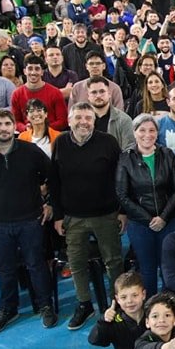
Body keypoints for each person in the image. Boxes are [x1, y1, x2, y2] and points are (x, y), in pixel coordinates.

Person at [0, 108, 55, 332]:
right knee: (6, 269)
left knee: (36, 265)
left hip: (31, 221)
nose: (4, 128)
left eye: (7, 124)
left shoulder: (30, 151)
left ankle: (45, 305)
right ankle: (9, 309)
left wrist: (50, 203)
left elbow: (53, 176)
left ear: (14, 126)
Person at [51, 102, 125, 331]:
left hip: (106, 215)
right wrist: (58, 215)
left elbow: (121, 178)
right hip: (73, 217)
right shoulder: (60, 143)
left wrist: (122, 211)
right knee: (76, 262)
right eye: (78, 117)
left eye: (88, 118)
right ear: (69, 120)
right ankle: (84, 304)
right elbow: (54, 181)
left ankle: (118, 304)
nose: (83, 122)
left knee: (113, 261)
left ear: (94, 121)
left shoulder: (108, 142)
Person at [116, 114, 175, 295]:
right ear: (134, 132)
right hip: (140, 224)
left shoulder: (168, 154)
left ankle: (170, 303)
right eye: (142, 130)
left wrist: (163, 217)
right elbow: (122, 195)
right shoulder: (125, 158)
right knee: (147, 268)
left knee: (169, 267)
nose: (147, 135)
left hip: (168, 221)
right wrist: (148, 220)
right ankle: (151, 304)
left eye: (152, 130)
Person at [9, 55, 67, 132]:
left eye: (37, 69)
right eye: (30, 69)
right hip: (26, 135)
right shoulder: (17, 94)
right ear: (24, 71)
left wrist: (42, 129)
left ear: (42, 72)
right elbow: (15, 121)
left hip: (51, 134)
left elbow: (63, 121)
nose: (33, 72)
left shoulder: (55, 93)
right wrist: (25, 128)